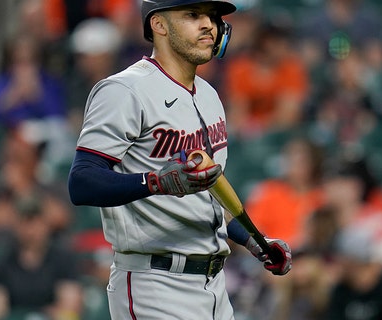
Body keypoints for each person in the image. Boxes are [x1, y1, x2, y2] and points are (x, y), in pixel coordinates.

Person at [67, 1, 292, 319]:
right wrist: (155, 182)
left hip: (213, 286)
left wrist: (254, 241)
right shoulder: (124, 90)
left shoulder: (210, 96)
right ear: (158, 25)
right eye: (193, 15)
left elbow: (207, 203)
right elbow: (81, 182)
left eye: (212, 17)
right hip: (153, 283)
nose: (209, 25)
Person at [0, 195, 82, 319]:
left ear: (46, 223)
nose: (30, 229)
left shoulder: (62, 258)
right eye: (25, 222)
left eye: (35, 221)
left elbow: (70, 306)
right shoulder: (5, 259)